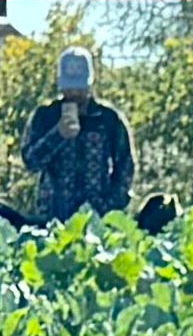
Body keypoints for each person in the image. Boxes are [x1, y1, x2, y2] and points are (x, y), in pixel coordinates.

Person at [19, 45, 135, 225]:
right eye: (69, 87)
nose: (74, 93)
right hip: (53, 218)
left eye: (79, 88)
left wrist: (110, 207)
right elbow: (30, 161)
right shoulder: (45, 116)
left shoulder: (108, 119)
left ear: (89, 84)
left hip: (97, 219)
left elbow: (126, 165)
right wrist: (57, 134)